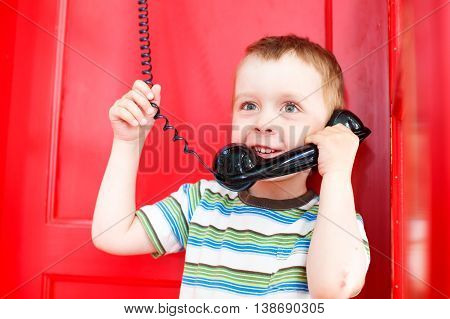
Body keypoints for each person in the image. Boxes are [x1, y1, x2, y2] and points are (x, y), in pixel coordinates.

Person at [92, 34, 370, 299]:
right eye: (249, 105)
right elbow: (112, 235)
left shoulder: (334, 221)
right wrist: (128, 142)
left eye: (290, 107)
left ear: (331, 128)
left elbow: (333, 286)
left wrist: (337, 171)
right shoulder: (202, 202)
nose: (263, 122)